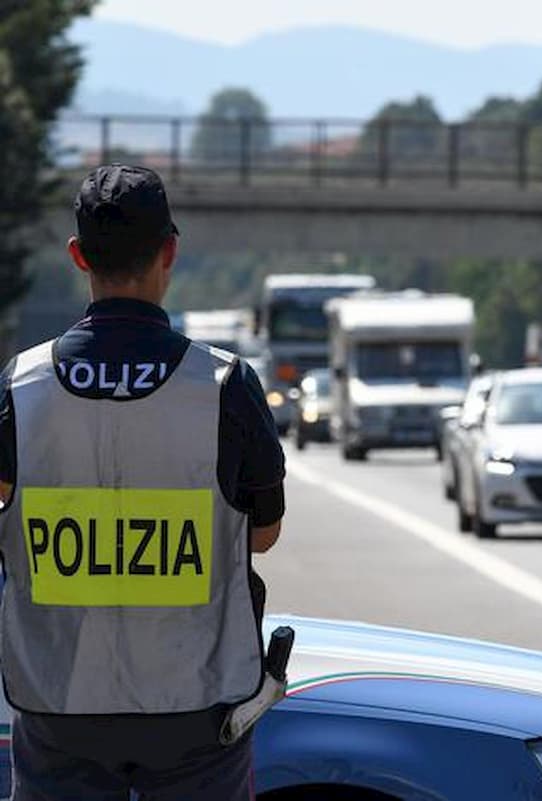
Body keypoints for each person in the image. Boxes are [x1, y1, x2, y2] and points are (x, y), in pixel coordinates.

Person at [0, 164, 285, 800]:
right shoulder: (225, 385)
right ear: (170, 252)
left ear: (78, 255)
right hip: (197, 705)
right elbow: (262, 535)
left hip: (57, 700)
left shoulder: (20, 386)